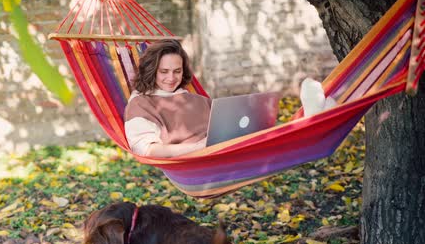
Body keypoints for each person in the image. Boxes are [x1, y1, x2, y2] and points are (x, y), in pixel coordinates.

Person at [124, 39, 335, 158]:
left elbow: (224, 119)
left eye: (177, 71)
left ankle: (313, 120)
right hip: (205, 159)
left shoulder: (188, 96)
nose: (172, 78)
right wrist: (199, 147)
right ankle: (315, 121)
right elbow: (149, 150)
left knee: (267, 136)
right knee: (275, 148)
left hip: (231, 143)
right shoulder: (141, 104)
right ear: (151, 71)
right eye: (164, 72)